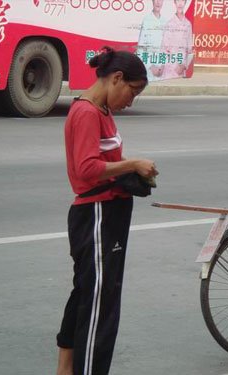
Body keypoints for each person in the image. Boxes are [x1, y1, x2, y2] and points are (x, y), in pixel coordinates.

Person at [56, 47, 159, 375]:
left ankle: (65, 369)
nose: (132, 100)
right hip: (97, 217)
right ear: (117, 79)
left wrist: (129, 175)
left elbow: (103, 163)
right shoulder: (86, 112)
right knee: (100, 308)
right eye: (134, 91)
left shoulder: (100, 110)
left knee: (87, 294)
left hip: (106, 213)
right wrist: (133, 164)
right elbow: (86, 169)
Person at [160, 0, 194, 79]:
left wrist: (184, 66)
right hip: (169, 68)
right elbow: (164, 49)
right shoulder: (169, 24)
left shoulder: (188, 24)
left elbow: (190, 49)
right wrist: (175, 66)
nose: (180, 4)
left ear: (185, 3)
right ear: (174, 3)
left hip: (182, 68)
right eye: (178, 1)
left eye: (182, 1)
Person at [136, 0, 167, 81]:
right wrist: (151, 67)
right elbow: (140, 48)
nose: (158, 2)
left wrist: (163, 66)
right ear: (152, 1)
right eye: (156, 0)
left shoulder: (165, 21)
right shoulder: (147, 20)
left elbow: (166, 48)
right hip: (149, 70)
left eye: (160, 0)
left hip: (161, 70)